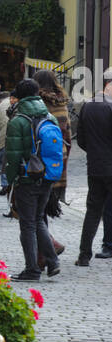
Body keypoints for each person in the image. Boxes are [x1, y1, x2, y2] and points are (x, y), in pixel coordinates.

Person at [4, 78, 61, 281]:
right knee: (37, 220)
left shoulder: (18, 120)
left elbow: (12, 155)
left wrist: (10, 181)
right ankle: (52, 262)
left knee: (27, 224)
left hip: (27, 178)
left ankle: (32, 270)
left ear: (18, 96)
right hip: (47, 177)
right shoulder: (49, 117)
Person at [33, 69, 71, 269]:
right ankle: (46, 251)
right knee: (43, 206)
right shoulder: (62, 103)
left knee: (35, 209)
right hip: (59, 157)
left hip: (40, 159)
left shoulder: (38, 104)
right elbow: (69, 136)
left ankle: (47, 250)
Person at [75, 67, 112, 267]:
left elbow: (80, 139)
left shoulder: (88, 106)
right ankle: (107, 245)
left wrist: (95, 152)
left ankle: (84, 254)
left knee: (93, 211)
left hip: (95, 166)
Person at [0, 89, 13, 194]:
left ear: (0, 100)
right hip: (17, 138)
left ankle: (5, 184)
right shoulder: (18, 104)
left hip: (4, 139)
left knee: (3, 161)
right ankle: (13, 183)